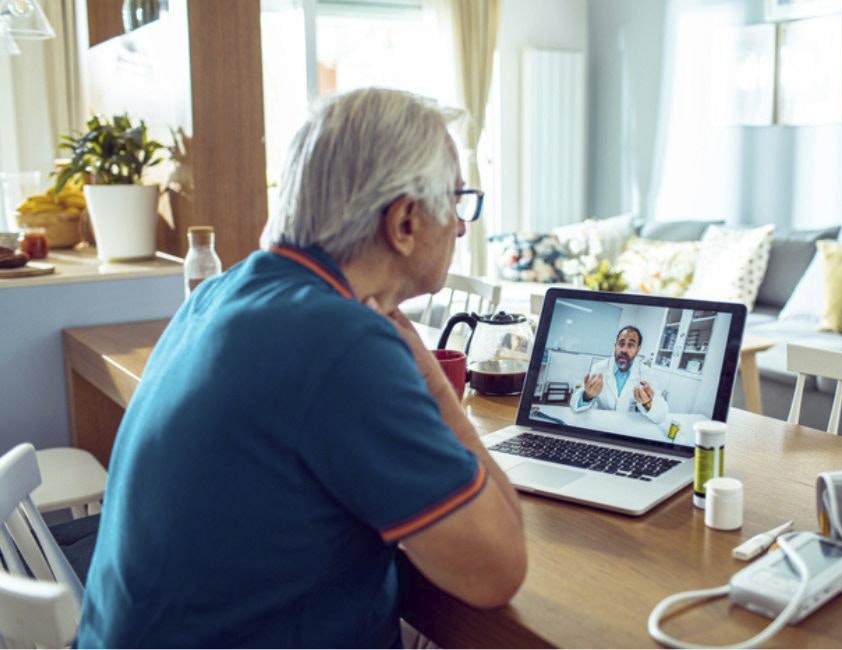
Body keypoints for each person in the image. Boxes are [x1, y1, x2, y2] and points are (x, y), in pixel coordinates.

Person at [77, 88, 526, 648]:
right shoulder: (341, 342)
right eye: (457, 201)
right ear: (405, 221)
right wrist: (432, 380)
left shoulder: (220, 292)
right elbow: (498, 569)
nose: (462, 228)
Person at [569, 325, 669, 423]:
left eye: (630, 345)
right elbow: (574, 404)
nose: (624, 350)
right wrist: (587, 396)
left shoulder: (646, 373)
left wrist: (648, 403)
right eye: (621, 344)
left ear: (638, 349)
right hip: (601, 423)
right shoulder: (599, 368)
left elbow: (661, 415)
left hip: (628, 427)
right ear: (615, 346)